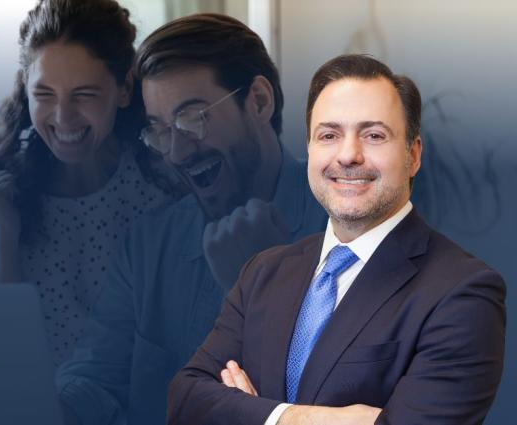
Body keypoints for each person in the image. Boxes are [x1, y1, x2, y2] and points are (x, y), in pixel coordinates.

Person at [167, 54, 506, 425]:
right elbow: (187, 400)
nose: (348, 155)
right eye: (329, 135)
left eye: (374, 135)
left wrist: (246, 412)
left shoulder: (463, 293)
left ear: (413, 155)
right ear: (309, 150)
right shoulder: (262, 272)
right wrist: (295, 419)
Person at [56, 14, 327, 425]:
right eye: (160, 130)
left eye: (191, 118)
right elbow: (96, 380)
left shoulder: (345, 224)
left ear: (258, 101)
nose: (177, 152)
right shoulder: (148, 245)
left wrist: (259, 285)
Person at [0, 0, 174, 365]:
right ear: (25, 88)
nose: (63, 117)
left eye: (84, 94)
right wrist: (5, 238)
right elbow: (0, 353)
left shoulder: (163, 191)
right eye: (44, 95)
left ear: (124, 89)